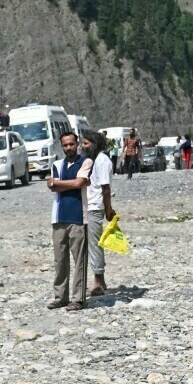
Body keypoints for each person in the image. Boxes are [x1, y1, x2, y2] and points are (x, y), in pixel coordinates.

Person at [47, 132, 90, 310]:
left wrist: (58, 183)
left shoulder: (86, 162)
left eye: (71, 144)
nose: (69, 148)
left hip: (78, 216)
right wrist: (57, 184)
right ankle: (60, 296)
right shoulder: (57, 164)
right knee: (59, 260)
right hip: (59, 216)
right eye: (65, 145)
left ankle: (78, 298)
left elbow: (78, 183)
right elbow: (51, 187)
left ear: (77, 144)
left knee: (79, 259)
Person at [81, 134, 116, 295]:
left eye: (86, 143)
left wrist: (108, 209)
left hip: (95, 207)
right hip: (89, 205)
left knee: (95, 245)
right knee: (91, 244)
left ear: (95, 144)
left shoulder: (102, 161)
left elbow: (106, 188)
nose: (83, 146)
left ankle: (97, 281)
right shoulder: (93, 161)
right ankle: (100, 281)